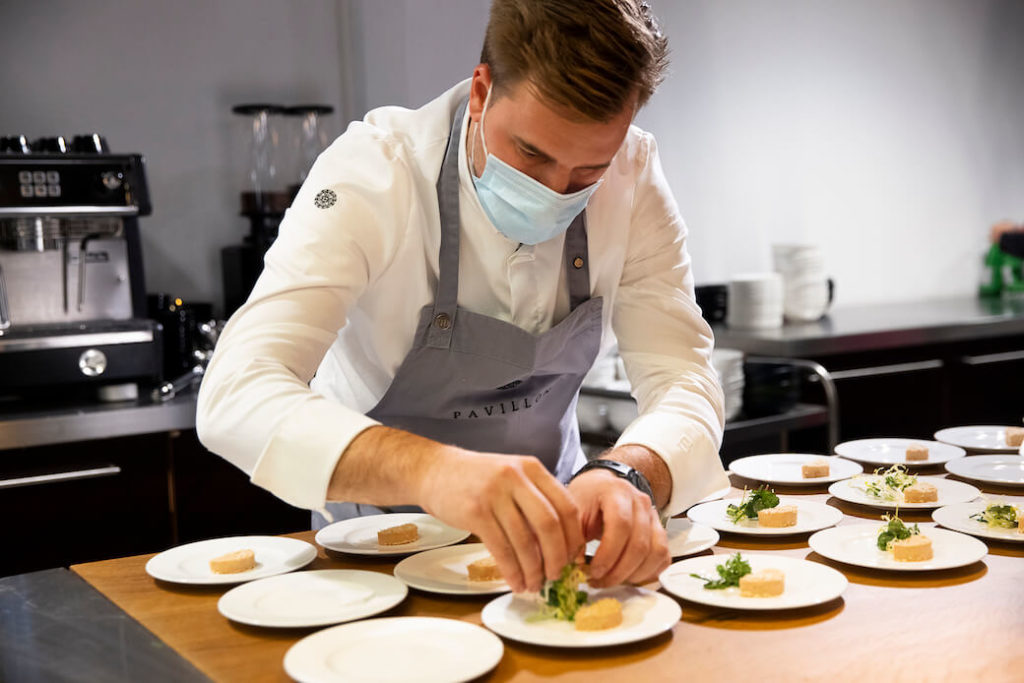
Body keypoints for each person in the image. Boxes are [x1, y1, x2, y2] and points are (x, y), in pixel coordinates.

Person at [197, 0, 728, 594]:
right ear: (481, 91)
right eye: (531, 154)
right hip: (375, 553)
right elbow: (236, 393)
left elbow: (683, 376)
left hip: (557, 545)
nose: (554, 192)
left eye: (586, 174)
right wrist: (434, 470)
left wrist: (628, 475)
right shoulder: (374, 174)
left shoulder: (632, 176)